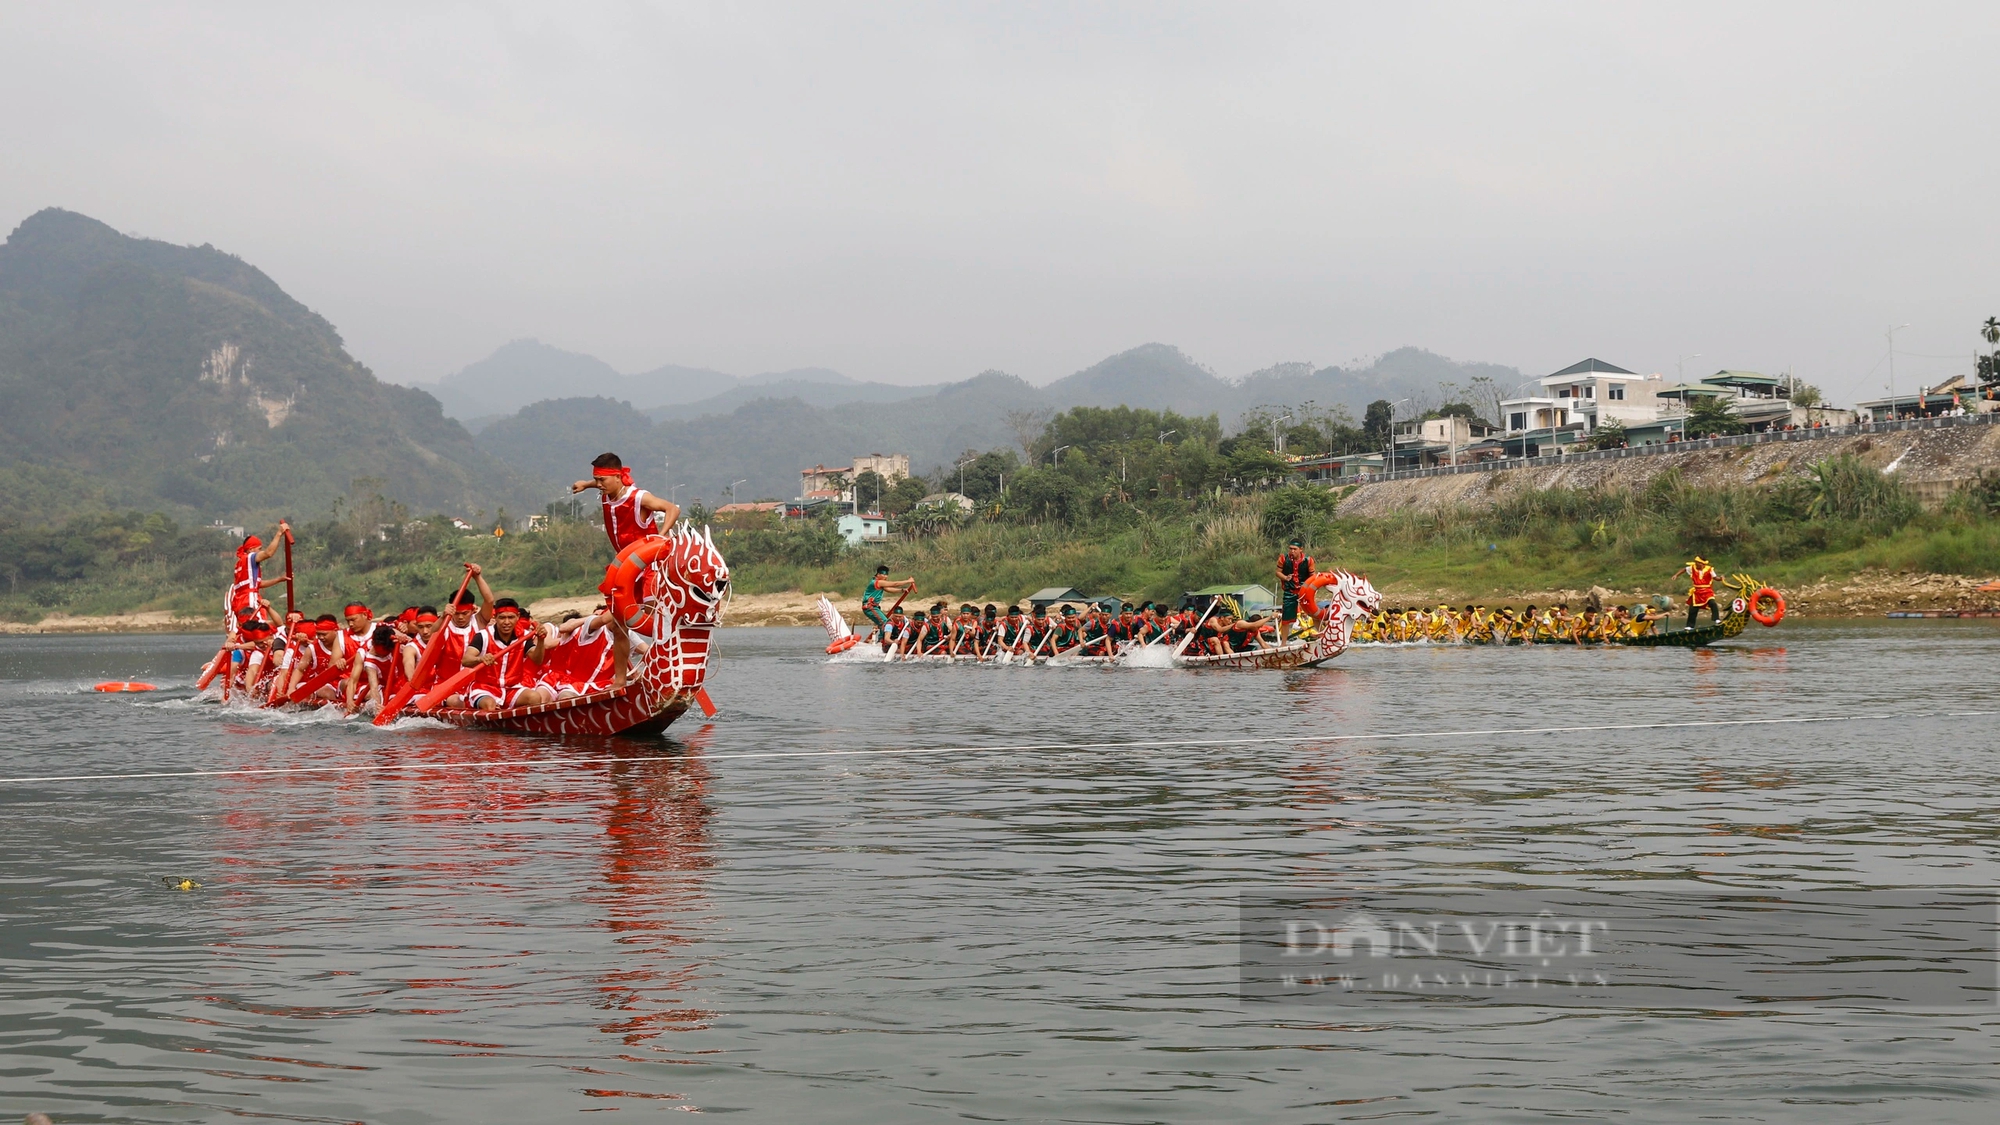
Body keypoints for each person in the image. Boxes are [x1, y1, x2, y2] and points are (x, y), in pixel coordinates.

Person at [571, 452, 682, 554]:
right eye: (596, 480)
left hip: (647, 566)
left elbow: (673, 509)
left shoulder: (639, 498)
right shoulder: (607, 491)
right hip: (624, 562)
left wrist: (660, 536)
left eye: (602, 480)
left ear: (618, 477)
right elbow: (599, 482)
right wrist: (585, 485)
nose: (599, 484)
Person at [227, 522, 292, 627]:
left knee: (248, 625)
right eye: (259, 548)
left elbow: (257, 584)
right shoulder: (250, 557)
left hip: (239, 600)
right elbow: (268, 553)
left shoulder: (240, 563)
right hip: (250, 598)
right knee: (259, 626)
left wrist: (279, 579)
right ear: (251, 549)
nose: (260, 551)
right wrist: (279, 533)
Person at [861, 565, 916, 647]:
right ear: (878, 574)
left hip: (874, 607)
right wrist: (908, 581)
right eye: (884, 575)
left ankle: (881, 640)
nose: (886, 577)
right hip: (870, 607)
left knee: (886, 622)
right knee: (885, 623)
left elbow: (889, 589)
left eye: (887, 575)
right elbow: (894, 584)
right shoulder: (877, 582)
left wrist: (901, 590)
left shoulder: (880, 583)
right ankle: (882, 642)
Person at [1277, 539, 1314, 639]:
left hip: (1304, 591)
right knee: (1285, 619)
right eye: (1290, 549)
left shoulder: (1308, 560)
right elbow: (1278, 572)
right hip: (1289, 591)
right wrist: (1285, 578)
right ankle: (1284, 643)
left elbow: (1312, 576)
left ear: (1301, 549)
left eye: (1295, 549)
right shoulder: (1283, 558)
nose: (1292, 551)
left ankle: (1319, 635)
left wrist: (1312, 589)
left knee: (1313, 612)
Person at [1680, 555, 1719, 629]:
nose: (1696, 564)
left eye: (1698, 562)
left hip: (1707, 591)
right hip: (1697, 592)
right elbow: (1684, 569)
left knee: (1712, 603)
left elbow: (1715, 577)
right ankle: (1689, 626)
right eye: (1696, 562)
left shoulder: (1709, 569)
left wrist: (1720, 578)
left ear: (1702, 564)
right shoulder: (1693, 568)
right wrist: (1676, 575)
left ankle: (1716, 619)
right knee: (1693, 609)